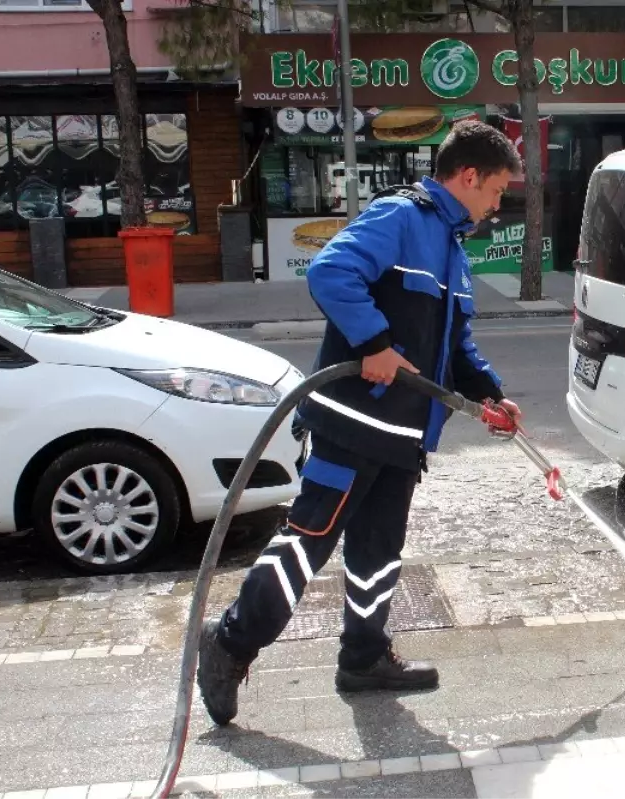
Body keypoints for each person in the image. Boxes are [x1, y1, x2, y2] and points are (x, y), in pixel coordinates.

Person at [196, 120, 524, 727]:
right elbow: (330, 272)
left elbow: (453, 343)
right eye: (498, 190)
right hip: (351, 425)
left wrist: (489, 393)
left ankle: (364, 657)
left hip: (401, 437)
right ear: (470, 176)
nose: (498, 204)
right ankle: (229, 645)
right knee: (307, 545)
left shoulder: (451, 246)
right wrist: (372, 340)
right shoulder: (402, 218)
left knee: (378, 551)